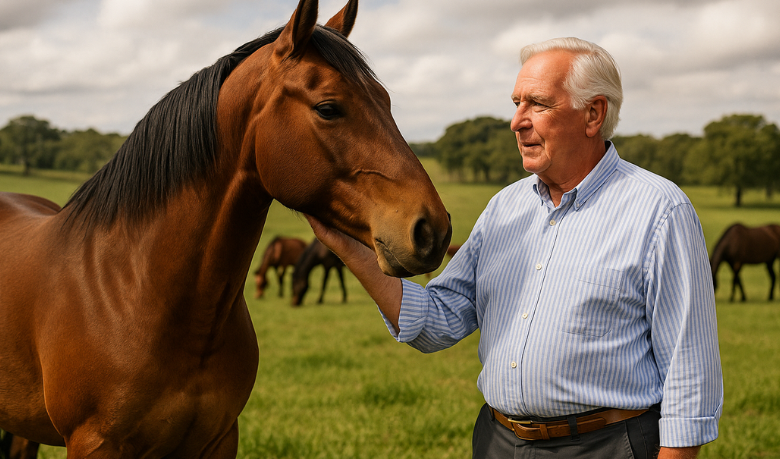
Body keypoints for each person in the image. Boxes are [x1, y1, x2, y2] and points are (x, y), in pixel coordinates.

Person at [306, 37, 722, 459]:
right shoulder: (504, 208)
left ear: (593, 114)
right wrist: (346, 245)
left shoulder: (660, 210)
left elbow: (690, 369)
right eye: (516, 103)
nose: (517, 121)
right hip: (498, 442)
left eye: (538, 104)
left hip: (607, 445)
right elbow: (437, 320)